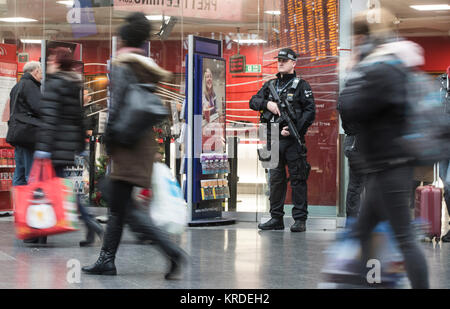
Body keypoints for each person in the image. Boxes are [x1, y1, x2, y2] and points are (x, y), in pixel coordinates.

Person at [82, 12, 187, 279]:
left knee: (120, 203)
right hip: (141, 142)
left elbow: (117, 105)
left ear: (124, 38)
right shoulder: (146, 65)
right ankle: (107, 260)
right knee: (119, 205)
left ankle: (170, 250)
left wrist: (108, 138)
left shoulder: (122, 64)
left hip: (125, 141)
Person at [338, 9, 429, 288]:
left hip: (390, 167)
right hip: (384, 167)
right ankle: (369, 283)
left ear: (364, 37)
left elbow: (350, 107)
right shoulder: (392, 64)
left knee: (404, 239)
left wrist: (352, 74)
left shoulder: (380, 68)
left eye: (357, 36)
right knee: (363, 232)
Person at [34, 47, 104, 246]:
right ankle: (90, 225)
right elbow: (77, 117)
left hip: (53, 147)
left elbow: (49, 118)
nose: (48, 62)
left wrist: (43, 148)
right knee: (62, 190)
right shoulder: (73, 84)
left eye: (50, 59)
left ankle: (42, 233)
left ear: (57, 61)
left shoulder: (55, 84)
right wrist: (79, 143)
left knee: (48, 190)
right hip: (65, 147)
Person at [250, 48, 315, 233]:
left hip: (293, 140)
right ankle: (276, 218)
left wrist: (295, 130)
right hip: (272, 138)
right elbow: (253, 102)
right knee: (275, 180)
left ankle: (300, 219)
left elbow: (310, 112)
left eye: (284, 60)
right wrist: (267, 104)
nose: (280, 63)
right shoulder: (270, 85)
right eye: (279, 60)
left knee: (298, 179)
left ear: (294, 63)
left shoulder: (302, 86)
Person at [7, 61, 42, 186]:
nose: (42, 76)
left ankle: (18, 204)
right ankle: (30, 204)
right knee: (31, 174)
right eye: (41, 72)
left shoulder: (17, 86)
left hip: (17, 133)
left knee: (19, 173)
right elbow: (39, 108)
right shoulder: (30, 86)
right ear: (36, 71)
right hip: (28, 135)